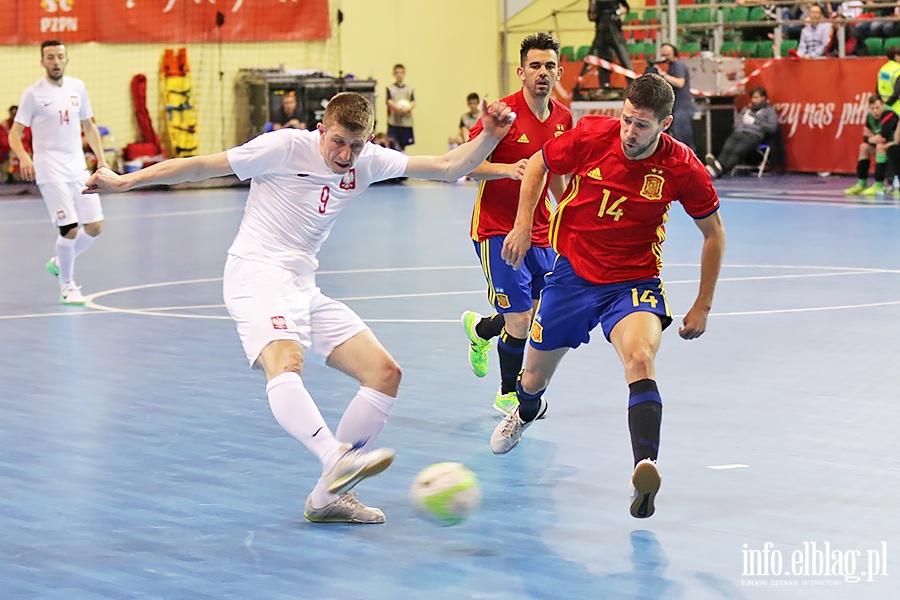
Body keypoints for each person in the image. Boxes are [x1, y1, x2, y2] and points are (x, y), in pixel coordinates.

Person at [82, 92, 517, 524]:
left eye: (357, 145)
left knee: (385, 374)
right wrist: (123, 181)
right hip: (254, 274)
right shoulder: (283, 148)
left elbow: (446, 167)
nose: (346, 155)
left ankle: (328, 497)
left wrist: (490, 135)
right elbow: (199, 166)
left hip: (301, 283)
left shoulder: (366, 160)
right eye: (339, 142)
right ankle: (335, 458)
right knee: (286, 361)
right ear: (322, 129)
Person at [491, 73, 725, 520]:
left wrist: (703, 304)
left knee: (639, 356)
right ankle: (525, 410)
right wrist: (524, 225)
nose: (630, 133)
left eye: (642, 125)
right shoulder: (593, 134)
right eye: (627, 120)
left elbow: (713, 234)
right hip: (573, 276)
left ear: (666, 124)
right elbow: (540, 163)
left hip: (632, 282)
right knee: (533, 381)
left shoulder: (682, 167)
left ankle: (645, 465)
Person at [461, 32, 573, 415]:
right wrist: (508, 169)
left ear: (559, 73)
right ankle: (507, 393)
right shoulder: (502, 115)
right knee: (521, 317)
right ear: (522, 72)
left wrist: (566, 213)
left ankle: (481, 330)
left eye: (550, 66)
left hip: (541, 230)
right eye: (535, 66)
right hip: (496, 229)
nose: (543, 73)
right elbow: (467, 165)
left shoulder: (563, 118)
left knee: (531, 314)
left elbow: (557, 171)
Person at [8, 40, 108, 305]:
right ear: (42, 62)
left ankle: (60, 261)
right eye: (49, 57)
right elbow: (14, 134)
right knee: (70, 229)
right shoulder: (33, 94)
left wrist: (102, 160)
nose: (55, 61)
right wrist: (24, 158)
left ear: (67, 59)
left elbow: (89, 126)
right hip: (50, 170)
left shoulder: (78, 88)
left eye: (59, 56)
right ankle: (67, 286)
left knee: (95, 227)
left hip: (77, 168)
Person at [705, 86, 779, 178]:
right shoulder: (747, 109)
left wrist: (755, 121)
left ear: (763, 98)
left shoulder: (769, 111)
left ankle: (720, 169)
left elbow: (772, 127)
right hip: (740, 132)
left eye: (756, 98)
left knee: (738, 151)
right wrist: (741, 125)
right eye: (752, 98)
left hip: (754, 135)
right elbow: (736, 122)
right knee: (728, 148)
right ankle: (717, 166)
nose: (753, 100)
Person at [843, 95, 899, 197]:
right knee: (864, 147)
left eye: (877, 108)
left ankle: (879, 184)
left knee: (880, 147)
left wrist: (872, 137)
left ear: (883, 106)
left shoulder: (889, 114)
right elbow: (865, 136)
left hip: (895, 145)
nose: (875, 111)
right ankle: (862, 183)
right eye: (872, 108)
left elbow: (883, 137)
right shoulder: (870, 117)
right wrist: (873, 138)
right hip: (884, 144)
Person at [646, 43, 695, 152]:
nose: (664, 58)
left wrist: (663, 75)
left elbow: (680, 82)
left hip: (681, 108)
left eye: (667, 55)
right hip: (673, 108)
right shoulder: (671, 67)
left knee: (681, 138)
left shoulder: (678, 66)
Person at [581, 0, 633, 88]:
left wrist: (617, 13)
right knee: (603, 59)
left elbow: (626, 8)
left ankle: (632, 84)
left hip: (615, 30)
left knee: (624, 58)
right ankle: (604, 85)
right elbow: (591, 17)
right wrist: (592, 4)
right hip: (601, 31)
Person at [386, 64, 415, 151]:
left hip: (405, 121)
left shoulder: (409, 89)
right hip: (394, 120)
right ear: (393, 74)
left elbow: (413, 102)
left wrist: (408, 108)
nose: (399, 75)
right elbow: (389, 100)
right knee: (392, 141)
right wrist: (397, 107)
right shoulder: (390, 88)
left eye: (401, 72)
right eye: (397, 73)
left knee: (403, 144)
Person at [877, 46, 900, 116]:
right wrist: (889, 103)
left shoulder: (883, 69)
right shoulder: (898, 70)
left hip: (884, 107)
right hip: (897, 108)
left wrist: (884, 104)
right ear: (896, 56)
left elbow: (878, 88)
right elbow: (897, 91)